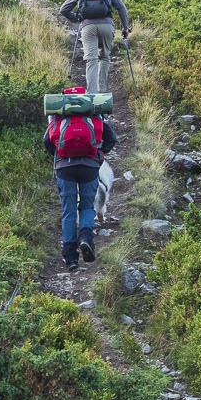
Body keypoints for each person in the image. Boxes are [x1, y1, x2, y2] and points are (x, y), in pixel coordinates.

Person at [45, 85, 117, 268]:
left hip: (65, 167)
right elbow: (111, 138)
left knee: (68, 210)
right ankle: (85, 238)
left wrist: (58, 156)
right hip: (89, 167)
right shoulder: (93, 112)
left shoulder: (58, 113)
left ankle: (70, 257)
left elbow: (47, 141)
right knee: (87, 206)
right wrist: (100, 155)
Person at [58, 0, 132, 94]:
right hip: (107, 26)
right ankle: (102, 92)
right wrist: (125, 28)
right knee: (104, 57)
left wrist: (76, 18)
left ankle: (91, 94)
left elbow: (63, 9)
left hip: (88, 27)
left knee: (91, 60)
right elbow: (121, 8)